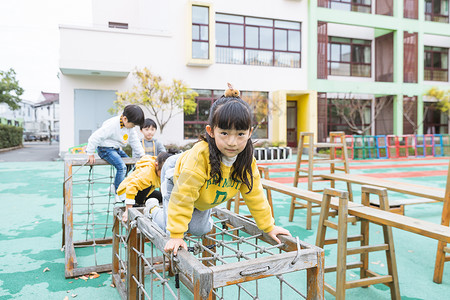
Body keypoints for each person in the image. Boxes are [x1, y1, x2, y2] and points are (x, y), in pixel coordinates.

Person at [148, 84, 291, 255]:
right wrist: (177, 235)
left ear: (250, 133)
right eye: (224, 133)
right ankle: (152, 209)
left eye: (240, 134)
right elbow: (183, 196)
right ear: (211, 131)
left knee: (199, 229)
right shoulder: (201, 157)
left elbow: (255, 195)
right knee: (169, 228)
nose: (232, 142)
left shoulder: (246, 161)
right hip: (176, 176)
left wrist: (269, 226)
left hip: (203, 193)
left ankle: (191, 218)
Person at [85, 104, 145, 200]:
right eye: (133, 125)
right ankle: (119, 192)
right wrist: (90, 152)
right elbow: (95, 137)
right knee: (121, 167)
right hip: (105, 149)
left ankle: (114, 186)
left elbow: (134, 141)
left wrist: (142, 154)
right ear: (125, 119)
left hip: (116, 149)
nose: (133, 127)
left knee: (129, 164)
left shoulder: (130, 127)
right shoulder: (112, 125)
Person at [117, 152, 172, 222]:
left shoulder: (159, 169)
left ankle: (141, 202)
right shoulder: (147, 173)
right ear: (156, 165)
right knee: (147, 185)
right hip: (127, 192)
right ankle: (137, 204)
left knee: (161, 197)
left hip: (141, 191)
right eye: (163, 172)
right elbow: (131, 186)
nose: (165, 175)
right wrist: (128, 210)